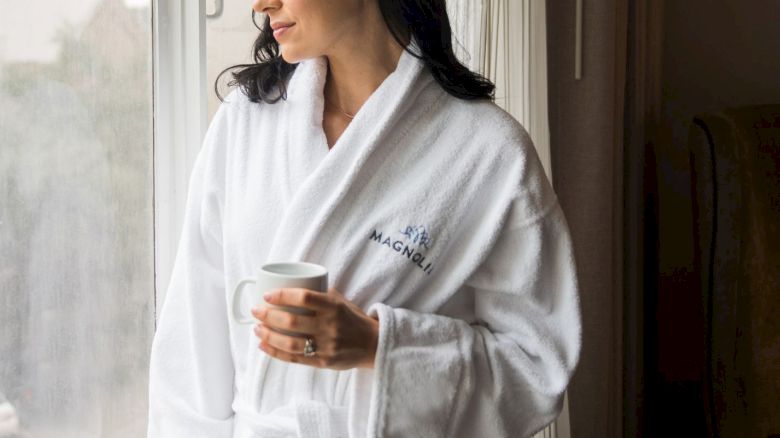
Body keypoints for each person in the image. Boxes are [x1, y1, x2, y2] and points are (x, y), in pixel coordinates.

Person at [147, 0, 582, 437]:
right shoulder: (245, 123)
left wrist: (381, 345)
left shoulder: (489, 152)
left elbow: (536, 369)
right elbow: (189, 353)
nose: (261, 4)